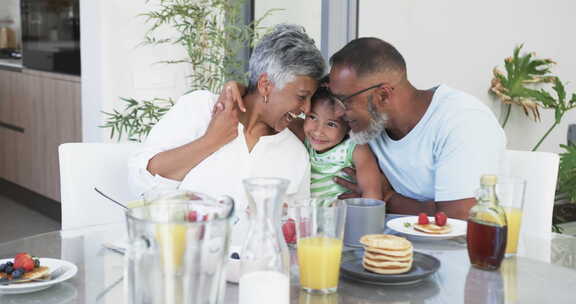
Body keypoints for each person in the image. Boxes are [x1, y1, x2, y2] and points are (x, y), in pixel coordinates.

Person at [128, 24, 326, 245]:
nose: (307, 109)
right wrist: (211, 140)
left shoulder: (296, 153)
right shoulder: (201, 108)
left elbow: (301, 232)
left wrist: (285, 221)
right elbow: (141, 182)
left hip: (254, 271)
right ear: (266, 85)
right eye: (301, 96)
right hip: (182, 261)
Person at [327, 38, 506, 219]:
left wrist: (386, 197)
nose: (337, 112)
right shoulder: (368, 126)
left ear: (382, 95)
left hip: (457, 246)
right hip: (386, 243)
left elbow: (460, 218)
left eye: (344, 101)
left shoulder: (462, 121)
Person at [290, 82, 383, 205]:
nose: (318, 131)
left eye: (331, 124)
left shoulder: (355, 148)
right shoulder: (305, 137)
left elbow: (371, 191)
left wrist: (367, 221)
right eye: (312, 117)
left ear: (349, 126)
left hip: (343, 218)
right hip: (309, 218)